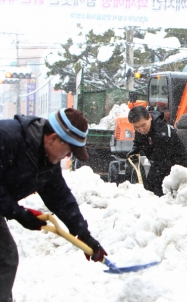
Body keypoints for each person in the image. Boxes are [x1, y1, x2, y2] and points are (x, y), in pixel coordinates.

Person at [0, 108, 107, 302]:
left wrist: (84, 235)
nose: (68, 157)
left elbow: (61, 198)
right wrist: (17, 213)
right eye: (69, 150)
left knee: (5, 259)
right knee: (4, 259)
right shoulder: (8, 137)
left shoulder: (46, 162)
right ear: (53, 138)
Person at [127, 106, 187, 197]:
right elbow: (138, 142)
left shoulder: (162, 131)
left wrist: (151, 188)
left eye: (143, 125)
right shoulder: (140, 130)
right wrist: (135, 150)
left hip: (178, 167)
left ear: (150, 118)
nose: (141, 129)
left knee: (161, 192)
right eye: (137, 127)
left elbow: (161, 163)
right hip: (160, 163)